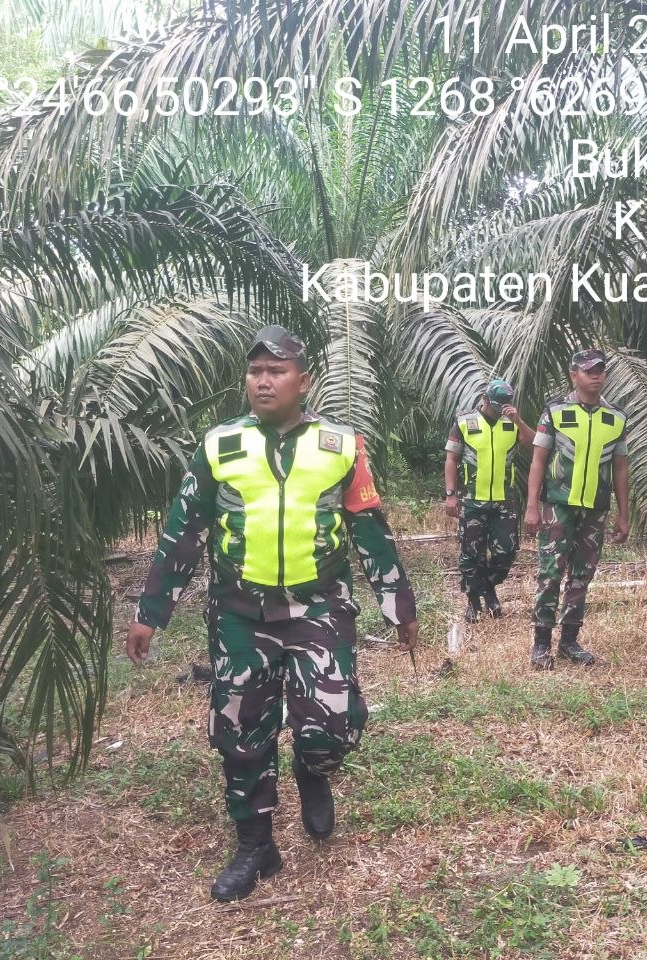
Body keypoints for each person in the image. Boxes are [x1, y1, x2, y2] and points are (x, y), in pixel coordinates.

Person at [123, 325, 419, 903]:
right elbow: (184, 532)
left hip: (319, 608)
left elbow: (370, 531)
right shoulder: (219, 445)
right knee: (241, 733)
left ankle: (313, 769)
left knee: (331, 726)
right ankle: (256, 846)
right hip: (240, 614)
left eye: (276, 371)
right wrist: (150, 612)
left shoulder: (340, 446)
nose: (263, 380)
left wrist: (398, 604)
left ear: (302, 382)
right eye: (255, 371)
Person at [523, 349, 630, 668]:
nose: (596, 376)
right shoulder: (555, 411)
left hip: (595, 509)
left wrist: (624, 515)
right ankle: (541, 643)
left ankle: (569, 642)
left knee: (582, 575)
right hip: (559, 505)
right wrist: (532, 506)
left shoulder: (616, 417)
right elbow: (538, 460)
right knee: (550, 573)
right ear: (574, 375)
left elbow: (621, 468)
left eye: (600, 370)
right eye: (588, 371)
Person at [443, 379, 535, 622]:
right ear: (484, 400)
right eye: (495, 406)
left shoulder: (511, 423)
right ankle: (474, 601)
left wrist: (518, 420)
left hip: (504, 501)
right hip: (472, 500)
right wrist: (450, 495)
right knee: (471, 555)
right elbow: (451, 459)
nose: (499, 411)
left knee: (507, 552)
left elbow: (535, 446)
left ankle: (488, 587)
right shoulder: (464, 422)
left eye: (503, 406)